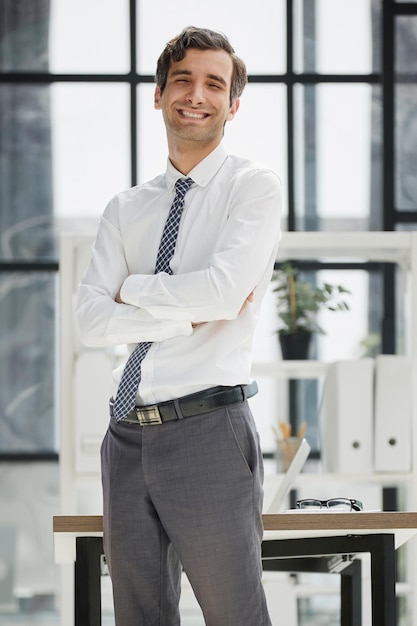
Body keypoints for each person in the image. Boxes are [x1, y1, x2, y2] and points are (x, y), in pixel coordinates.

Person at [76, 26, 281, 626]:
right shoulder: (126, 208)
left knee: (234, 615)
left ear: (232, 104)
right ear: (159, 95)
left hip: (207, 430)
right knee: (138, 617)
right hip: (126, 435)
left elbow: (222, 294)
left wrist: (134, 290)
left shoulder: (252, 188)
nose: (197, 94)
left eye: (214, 84)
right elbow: (90, 321)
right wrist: (180, 312)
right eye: (183, 80)